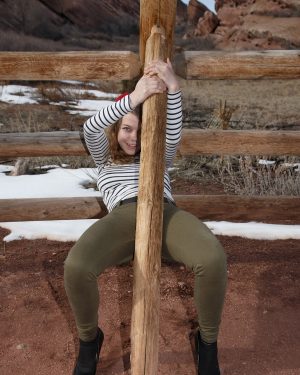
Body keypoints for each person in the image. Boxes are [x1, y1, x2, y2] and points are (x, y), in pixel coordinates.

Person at [64, 59, 227, 375]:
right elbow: (91, 127)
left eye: (140, 130)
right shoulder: (104, 155)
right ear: (117, 129)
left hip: (166, 213)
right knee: (77, 267)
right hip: (124, 215)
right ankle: (89, 341)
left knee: (213, 259)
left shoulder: (157, 152)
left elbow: (174, 131)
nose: (133, 138)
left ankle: (207, 342)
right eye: (127, 128)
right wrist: (135, 97)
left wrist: (175, 87)